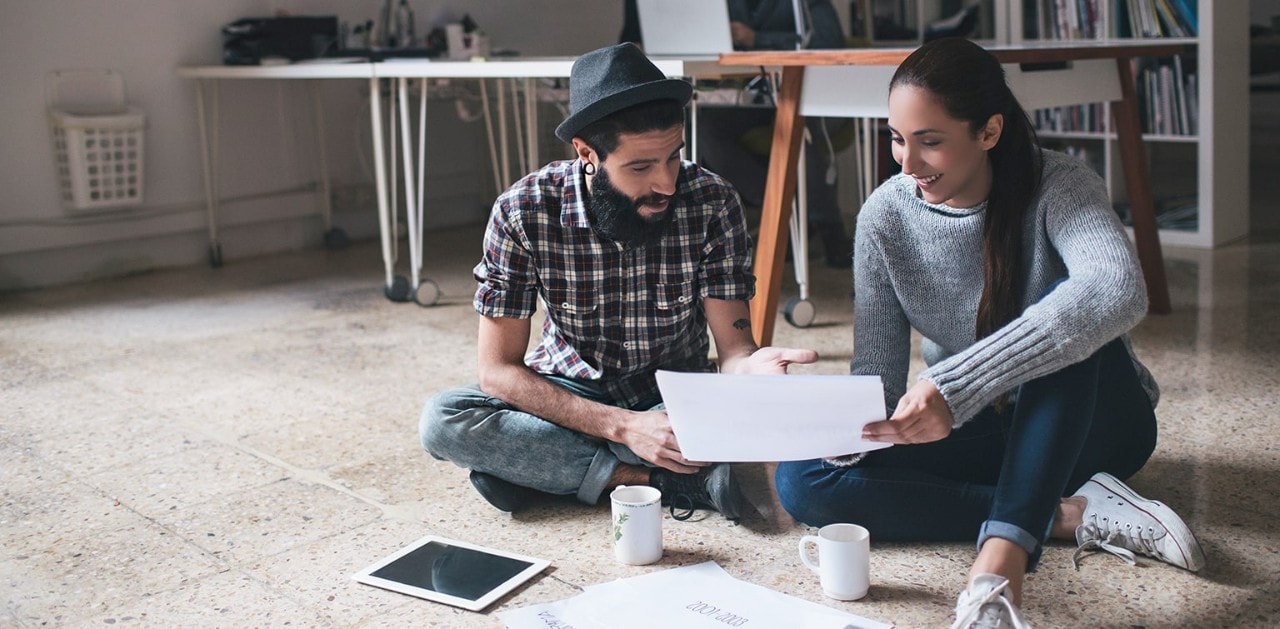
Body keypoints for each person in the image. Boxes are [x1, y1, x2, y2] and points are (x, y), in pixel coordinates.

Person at [773, 38, 1205, 627]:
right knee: (805, 481)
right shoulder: (885, 216)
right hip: (990, 433)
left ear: (989, 132)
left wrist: (956, 386)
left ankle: (997, 573)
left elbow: (1116, 290)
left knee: (1068, 326)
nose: (907, 163)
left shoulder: (1061, 184)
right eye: (897, 138)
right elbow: (875, 378)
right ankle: (1069, 516)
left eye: (930, 141)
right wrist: (845, 428)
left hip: (1098, 422)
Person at [420, 43, 817, 521]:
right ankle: (661, 481)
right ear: (587, 153)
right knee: (445, 421)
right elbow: (498, 371)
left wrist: (749, 371)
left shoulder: (712, 201)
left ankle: (543, 472)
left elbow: (733, 351)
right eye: (641, 166)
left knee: (746, 424)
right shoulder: (523, 211)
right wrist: (624, 427)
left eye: (673, 157)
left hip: (672, 398)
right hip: (570, 394)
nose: (667, 182)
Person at [619, 0, 853, 268]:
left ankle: (827, 223)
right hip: (758, 96)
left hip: (814, 98)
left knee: (793, 127)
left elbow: (828, 39)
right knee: (708, 128)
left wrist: (755, 38)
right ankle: (779, 207)